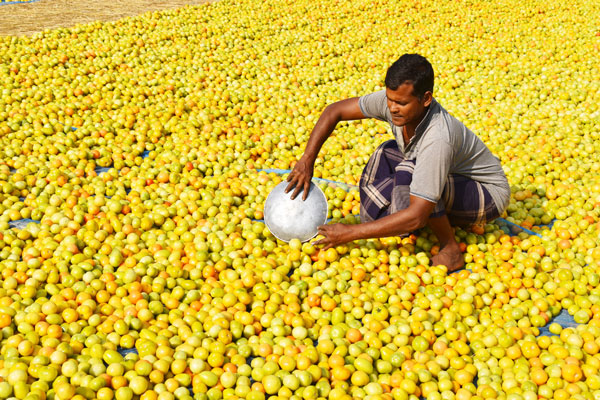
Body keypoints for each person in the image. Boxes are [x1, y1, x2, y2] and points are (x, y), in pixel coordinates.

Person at [285, 53, 510, 272]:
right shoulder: (393, 103)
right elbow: (335, 111)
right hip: (446, 176)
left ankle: (450, 248)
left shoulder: (438, 137)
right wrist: (307, 160)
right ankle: (399, 217)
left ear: (426, 99)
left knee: (411, 171)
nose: (392, 108)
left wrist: (350, 233)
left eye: (400, 103)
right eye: (390, 99)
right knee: (387, 151)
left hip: (486, 193)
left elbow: (418, 215)